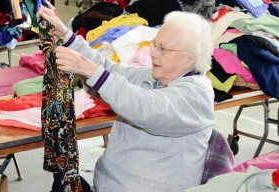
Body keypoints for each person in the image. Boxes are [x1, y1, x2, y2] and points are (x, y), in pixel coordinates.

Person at [37, 7, 215, 192]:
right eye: (154, 44)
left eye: (163, 49)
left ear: (189, 59)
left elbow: (145, 107)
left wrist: (91, 70)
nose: (153, 53)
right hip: (109, 186)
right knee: (61, 182)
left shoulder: (196, 96)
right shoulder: (153, 77)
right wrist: (67, 36)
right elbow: (110, 71)